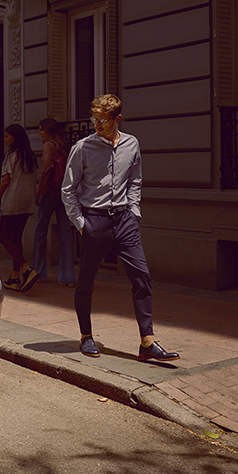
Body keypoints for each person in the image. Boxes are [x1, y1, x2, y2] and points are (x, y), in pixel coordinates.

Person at [61, 94, 179, 362]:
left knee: (142, 276)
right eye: (95, 119)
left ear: (117, 119)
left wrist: (134, 210)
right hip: (95, 221)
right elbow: (68, 189)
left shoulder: (131, 144)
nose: (97, 125)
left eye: (103, 120)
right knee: (86, 282)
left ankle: (147, 341)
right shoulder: (82, 148)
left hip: (125, 220)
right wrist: (81, 224)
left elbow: (135, 180)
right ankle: (86, 336)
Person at [0, 124, 39, 292]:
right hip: (27, 201)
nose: (5, 140)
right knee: (16, 239)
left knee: (4, 237)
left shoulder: (11, 156)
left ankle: (27, 268)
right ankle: (15, 277)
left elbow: (5, 181)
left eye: (7, 136)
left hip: (13, 201)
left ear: (15, 137)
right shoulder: (30, 156)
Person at [33, 117, 75, 287]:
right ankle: (67, 276)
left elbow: (45, 170)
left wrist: (38, 191)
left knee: (40, 231)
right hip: (63, 193)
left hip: (49, 192)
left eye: (41, 129)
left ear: (48, 131)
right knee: (65, 232)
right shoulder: (65, 147)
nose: (40, 133)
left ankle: (38, 271)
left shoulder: (49, 146)